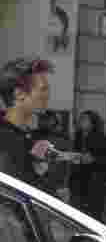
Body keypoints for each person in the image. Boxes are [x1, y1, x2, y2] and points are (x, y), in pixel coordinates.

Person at [0, 58, 57, 187]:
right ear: (19, 94)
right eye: (43, 89)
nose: (47, 95)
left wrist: (38, 172)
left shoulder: (22, 136)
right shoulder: (6, 141)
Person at [71, 110, 106, 219]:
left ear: (92, 123)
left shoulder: (99, 138)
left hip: (94, 180)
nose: (81, 121)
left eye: (84, 119)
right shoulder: (78, 137)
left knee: (94, 213)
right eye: (81, 119)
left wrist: (93, 159)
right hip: (79, 178)